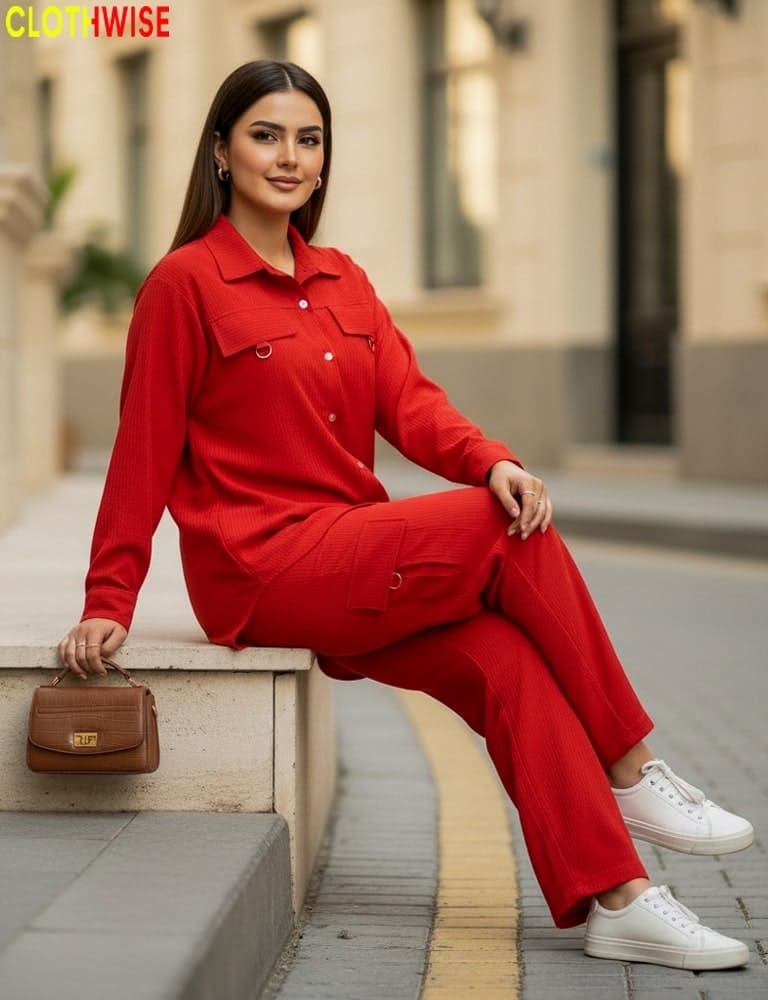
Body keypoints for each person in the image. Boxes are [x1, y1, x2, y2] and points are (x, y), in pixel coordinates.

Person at [59, 60, 754, 971]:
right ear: (222, 151)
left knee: (507, 664)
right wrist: (109, 595)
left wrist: (492, 458)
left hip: (355, 562)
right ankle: (631, 769)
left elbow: (412, 403)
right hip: (262, 569)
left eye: (309, 139)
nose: (290, 157)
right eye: (267, 135)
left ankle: (618, 898)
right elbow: (141, 452)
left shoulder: (343, 281)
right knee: (493, 533)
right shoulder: (184, 286)